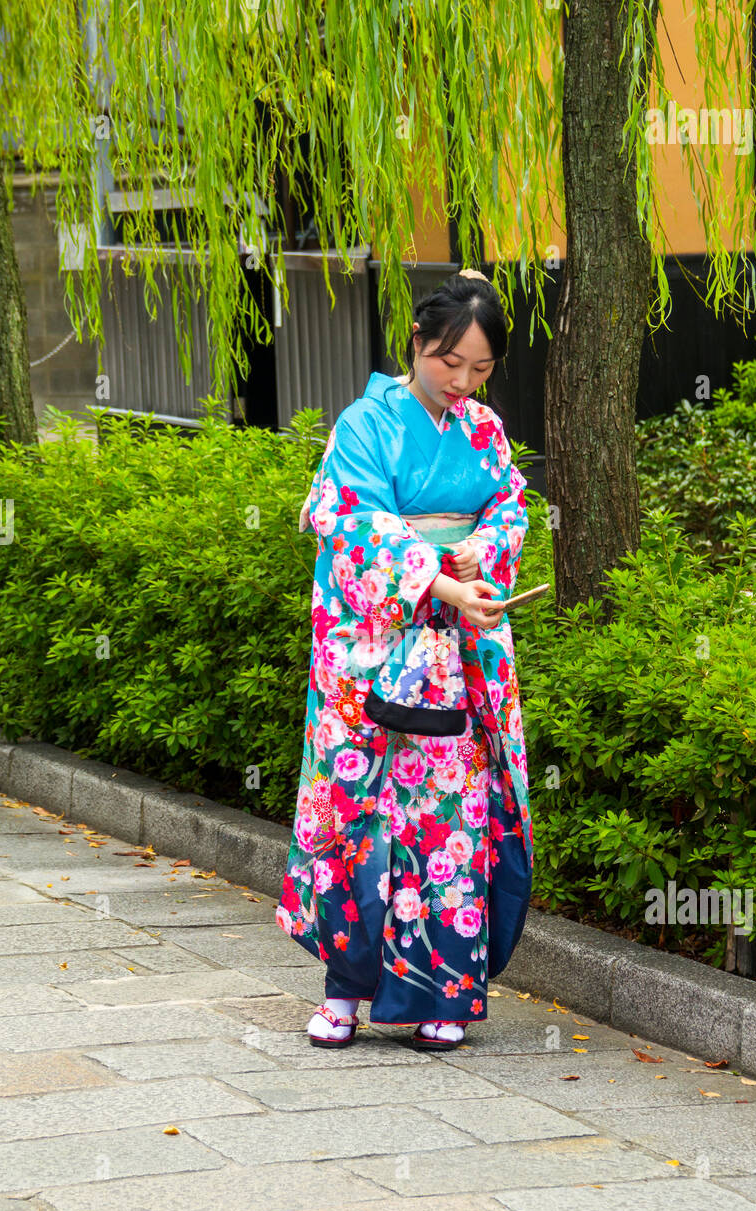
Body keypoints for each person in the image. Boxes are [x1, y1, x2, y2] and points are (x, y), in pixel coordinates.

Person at [275, 269, 534, 1050]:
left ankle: (444, 994)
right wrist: (440, 583)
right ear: (418, 344)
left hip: (458, 650)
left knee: (450, 817)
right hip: (367, 651)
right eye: (449, 362)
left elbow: (507, 505)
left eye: (480, 369)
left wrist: (477, 569)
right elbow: (349, 520)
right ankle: (344, 991)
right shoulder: (365, 424)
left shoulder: (484, 431)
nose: (461, 382)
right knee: (359, 812)